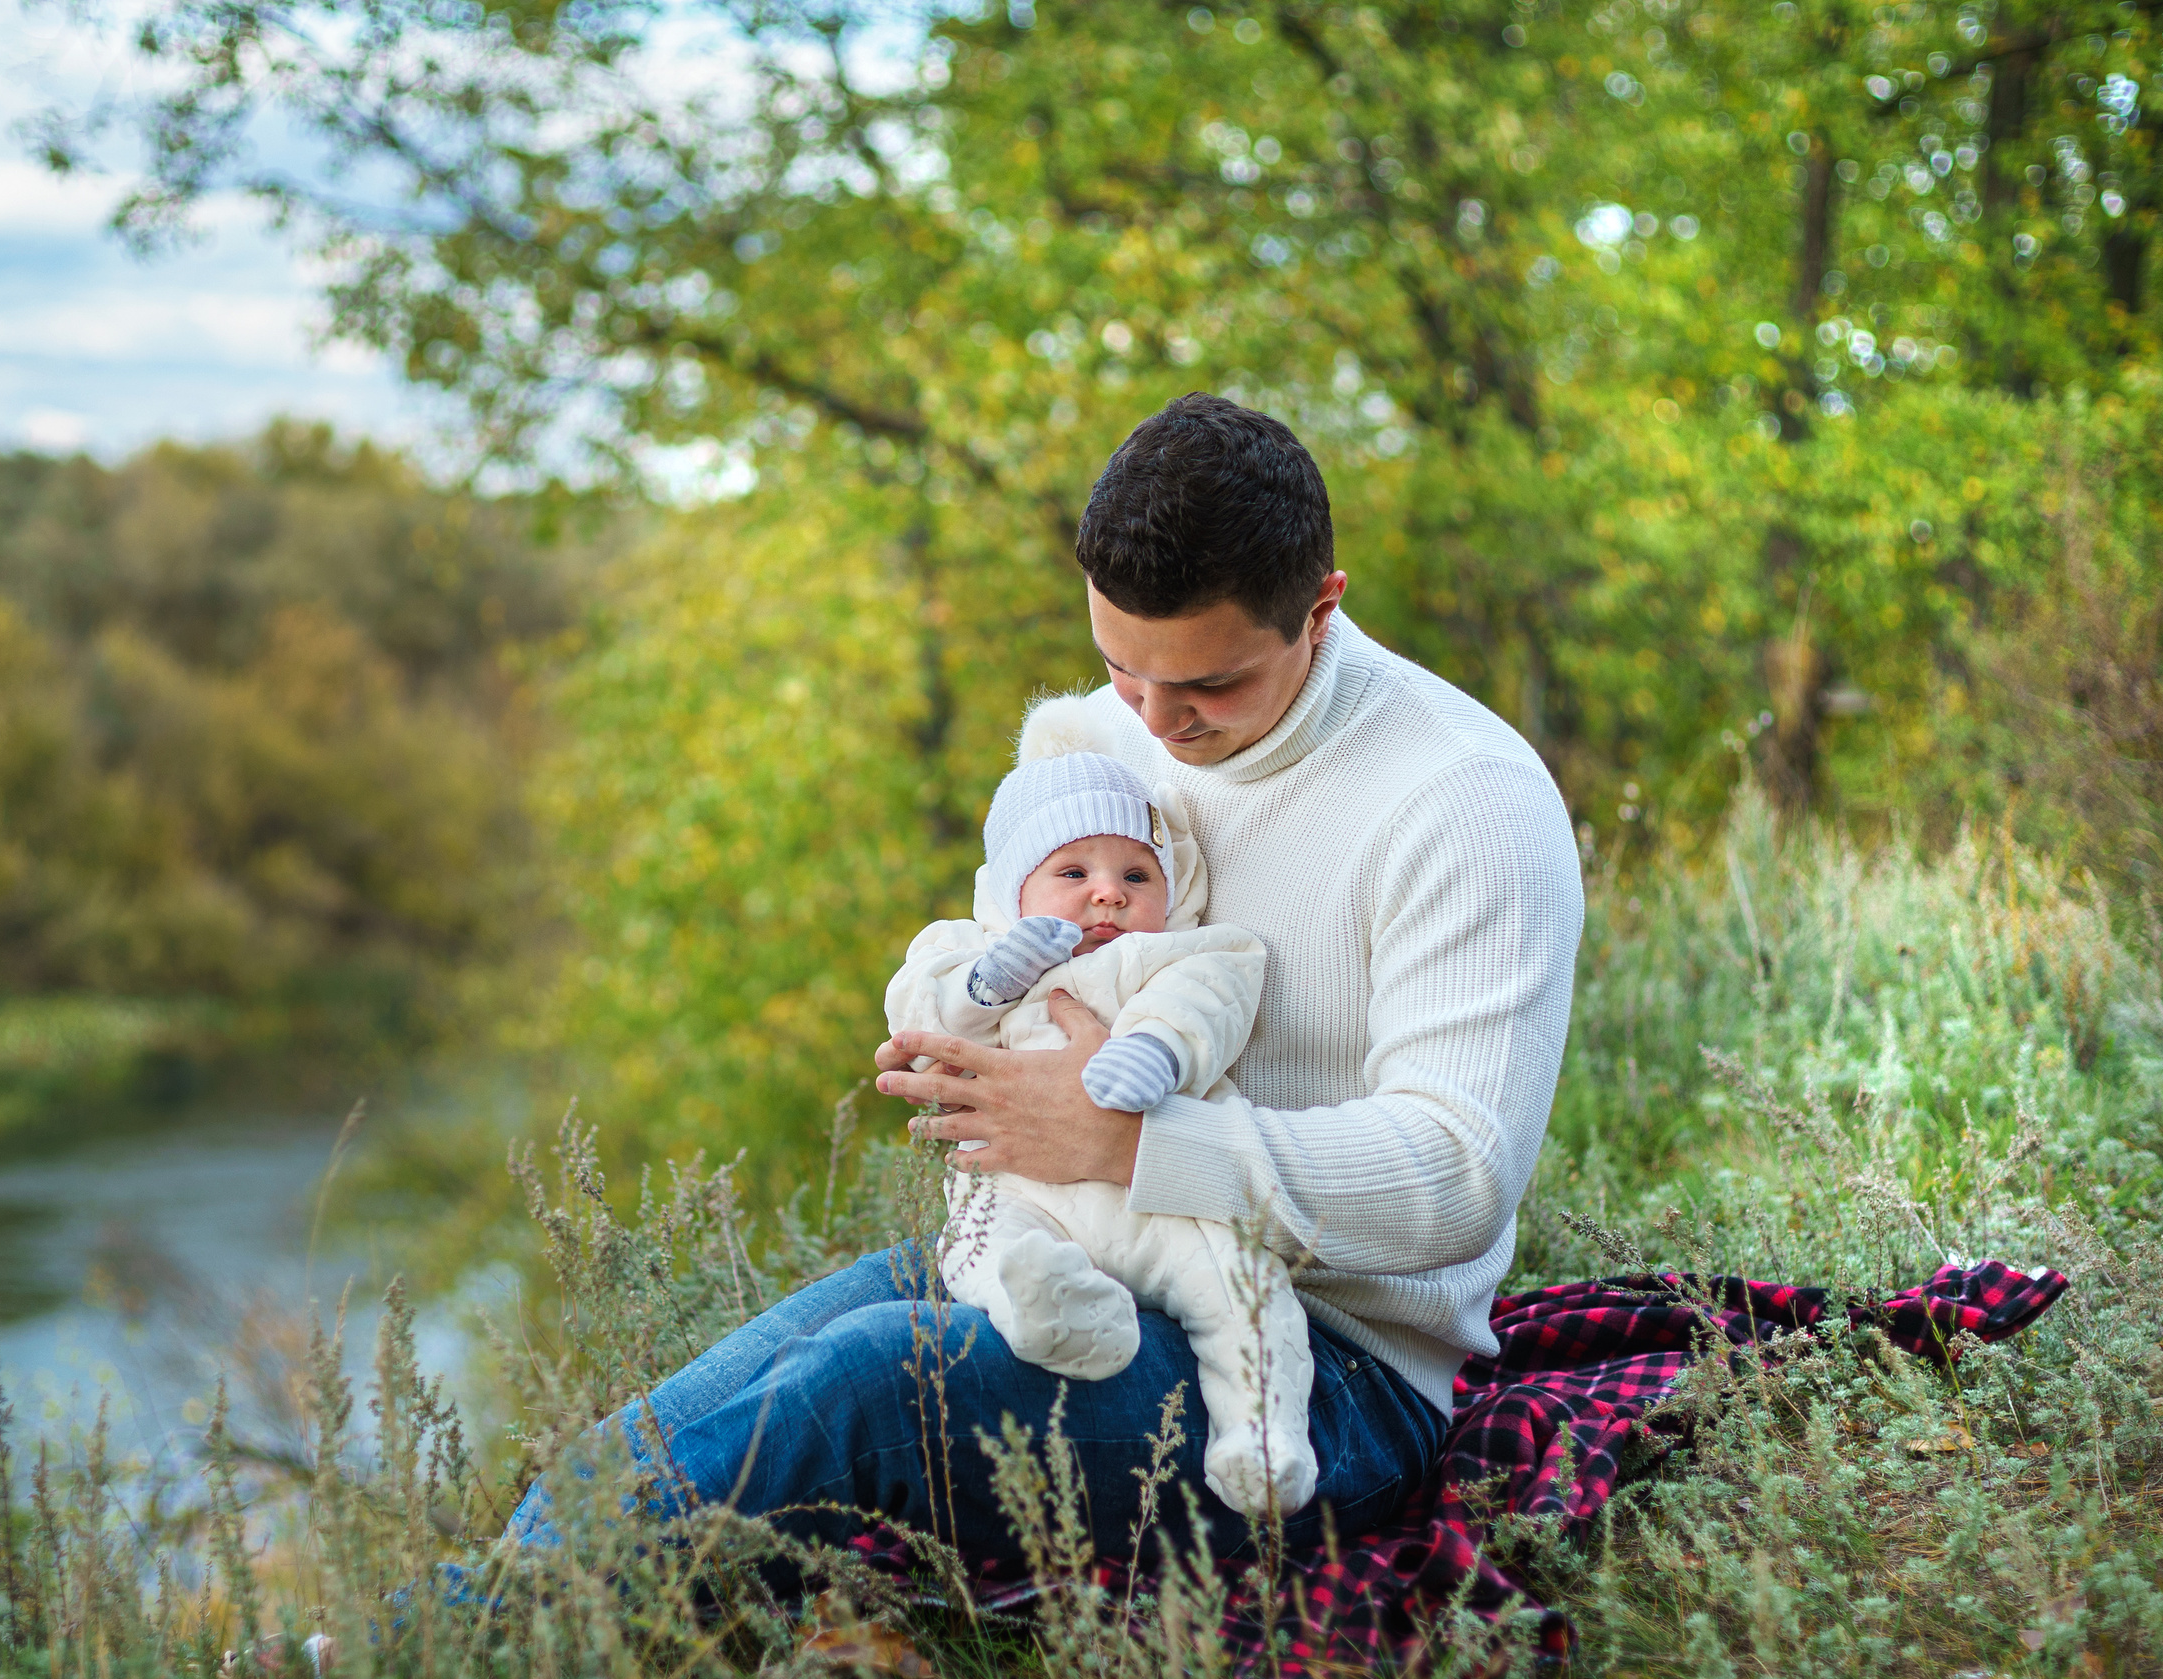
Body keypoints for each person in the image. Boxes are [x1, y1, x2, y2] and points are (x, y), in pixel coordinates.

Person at [504, 392, 1583, 1572]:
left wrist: (1122, 1138)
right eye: (1122, 667)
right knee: (677, 1421)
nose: (1158, 722)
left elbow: (1460, 1177)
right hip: (1057, 1241)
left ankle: (418, 1662)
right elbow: (1001, 967)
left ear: (1320, 608)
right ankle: (407, 1655)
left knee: (871, 1385)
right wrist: (958, 1041)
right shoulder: (1089, 740)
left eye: (1206, 687)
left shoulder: (1464, 798)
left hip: (1326, 1374)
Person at [885, 694, 1314, 1521]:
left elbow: (1211, 998)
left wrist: (1153, 1049)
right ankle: (1057, 1307)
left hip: (1166, 1198)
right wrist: (991, 981)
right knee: (975, 1254)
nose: (1108, 896)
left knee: (1242, 1286)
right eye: (1073, 874)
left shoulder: (1176, 953)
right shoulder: (964, 954)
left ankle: (1263, 1439)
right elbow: (917, 1018)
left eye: (1135, 876)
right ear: (1013, 889)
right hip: (1020, 1195)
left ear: (1171, 889)